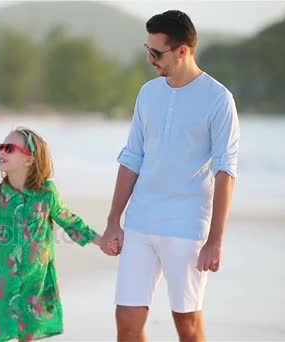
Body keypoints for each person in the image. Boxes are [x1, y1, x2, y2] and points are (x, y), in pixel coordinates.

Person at [100, 10, 240, 342]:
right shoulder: (148, 94)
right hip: (140, 222)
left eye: (156, 52)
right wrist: (113, 220)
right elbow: (132, 157)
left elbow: (225, 170)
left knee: (187, 326)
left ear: (182, 50)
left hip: (186, 226)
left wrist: (216, 239)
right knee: (127, 322)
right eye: (147, 49)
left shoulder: (218, 99)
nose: (150, 58)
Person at [0, 127, 115, 342]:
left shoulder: (46, 194)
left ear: (29, 160)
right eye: (0, 147)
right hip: (1, 280)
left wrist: (101, 241)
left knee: (28, 334)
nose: (1, 152)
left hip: (36, 281)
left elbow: (70, 221)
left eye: (9, 148)